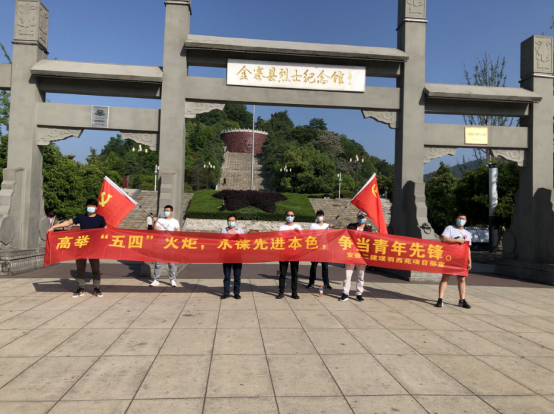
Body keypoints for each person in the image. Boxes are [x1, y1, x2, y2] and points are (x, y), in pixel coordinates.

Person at [47, 198, 107, 298]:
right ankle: (80, 288)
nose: (91, 207)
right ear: (86, 207)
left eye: (93, 206)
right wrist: (53, 227)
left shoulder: (100, 219)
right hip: (81, 246)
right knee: (80, 268)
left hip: (94, 248)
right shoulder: (81, 217)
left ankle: (96, 288)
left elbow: (106, 231)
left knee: (96, 269)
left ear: (96, 208)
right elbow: (68, 223)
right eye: (89, 205)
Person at [436, 213, 472, 309]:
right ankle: (440, 299)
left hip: (461, 259)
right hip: (449, 257)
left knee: (462, 279)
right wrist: (457, 241)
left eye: (463, 219)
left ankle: (462, 300)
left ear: (466, 221)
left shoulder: (467, 233)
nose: (461, 220)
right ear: (456, 219)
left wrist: (469, 261)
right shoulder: (450, 228)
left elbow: (468, 248)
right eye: (460, 218)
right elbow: (444, 239)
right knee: (445, 277)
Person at [339, 211, 372, 302]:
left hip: (362, 255)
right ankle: (345, 293)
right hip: (351, 253)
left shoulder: (368, 229)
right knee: (347, 275)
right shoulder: (351, 226)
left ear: (366, 218)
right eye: (360, 217)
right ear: (357, 217)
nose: (361, 219)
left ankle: (359, 294)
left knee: (361, 276)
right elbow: (345, 236)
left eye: (363, 217)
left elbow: (370, 241)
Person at [150, 205, 180, 287]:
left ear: (171, 212)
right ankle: (156, 280)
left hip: (170, 244)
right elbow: (155, 229)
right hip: (160, 244)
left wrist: (172, 234)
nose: (166, 212)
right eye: (165, 210)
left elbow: (178, 231)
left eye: (167, 210)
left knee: (171, 264)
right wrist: (154, 222)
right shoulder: (160, 220)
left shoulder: (175, 221)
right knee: (158, 263)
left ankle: (172, 280)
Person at [276, 210, 303, 300]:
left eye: (292, 215)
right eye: (288, 215)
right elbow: (279, 239)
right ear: (285, 216)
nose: (290, 217)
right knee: (282, 274)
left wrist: (298, 233)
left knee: (294, 274)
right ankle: (281, 292)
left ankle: (294, 292)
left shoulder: (298, 227)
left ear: (294, 217)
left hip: (295, 253)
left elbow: (303, 239)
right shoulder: (282, 227)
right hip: (284, 252)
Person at [221, 215, 244, 299]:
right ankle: (226, 292)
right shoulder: (223, 230)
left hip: (237, 256)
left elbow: (244, 242)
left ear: (236, 221)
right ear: (227, 222)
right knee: (227, 276)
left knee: (237, 276)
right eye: (229, 220)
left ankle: (236, 293)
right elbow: (220, 242)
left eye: (233, 220)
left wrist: (238, 237)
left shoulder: (240, 230)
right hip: (226, 256)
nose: (231, 222)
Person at [307, 210, 332, 290]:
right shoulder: (312, 225)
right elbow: (308, 236)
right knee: (313, 266)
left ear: (324, 216)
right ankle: (311, 282)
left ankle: (326, 283)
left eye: (321, 215)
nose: (319, 217)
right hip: (315, 248)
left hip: (324, 249)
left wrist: (330, 228)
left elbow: (331, 236)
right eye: (318, 215)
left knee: (325, 266)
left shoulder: (327, 226)